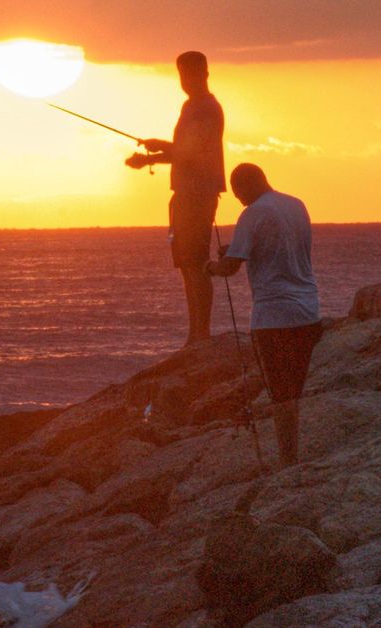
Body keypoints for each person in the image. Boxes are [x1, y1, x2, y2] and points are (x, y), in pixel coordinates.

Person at [206, 163, 321, 467]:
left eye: (237, 194)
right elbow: (278, 243)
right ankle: (293, 454)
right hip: (308, 312)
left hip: (274, 317)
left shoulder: (252, 213)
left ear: (242, 187)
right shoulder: (296, 205)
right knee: (295, 388)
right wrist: (238, 248)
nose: (239, 201)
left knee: (281, 394)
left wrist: (211, 268)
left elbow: (230, 267)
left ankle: (288, 461)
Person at [125, 51, 225, 346]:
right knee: (186, 263)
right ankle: (195, 334)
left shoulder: (205, 107)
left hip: (198, 193)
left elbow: (190, 152)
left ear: (205, 73)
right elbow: (185, 148)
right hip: (185, 192)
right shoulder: (191, 106)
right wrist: (159, 148)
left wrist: (150, 157)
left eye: (191, 74)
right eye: (182, 75)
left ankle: (201, 335)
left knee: (195, 262)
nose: (186, 81)